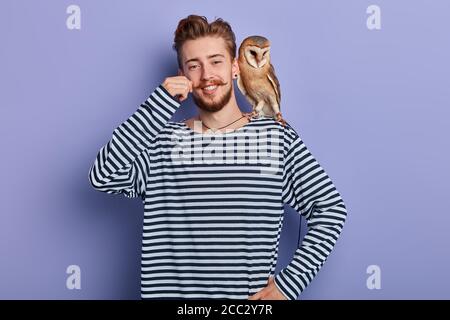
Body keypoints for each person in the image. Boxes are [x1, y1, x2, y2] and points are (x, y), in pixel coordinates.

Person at [88, 14, 347, 300]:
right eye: (193, 66)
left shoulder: (276, 138)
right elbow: (103, 176)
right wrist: (158, 103)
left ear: (235, 67)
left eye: (215, 61)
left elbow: (330, 210)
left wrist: (288, 285)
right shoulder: (161, 141)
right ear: (182, 75)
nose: (206, 75)